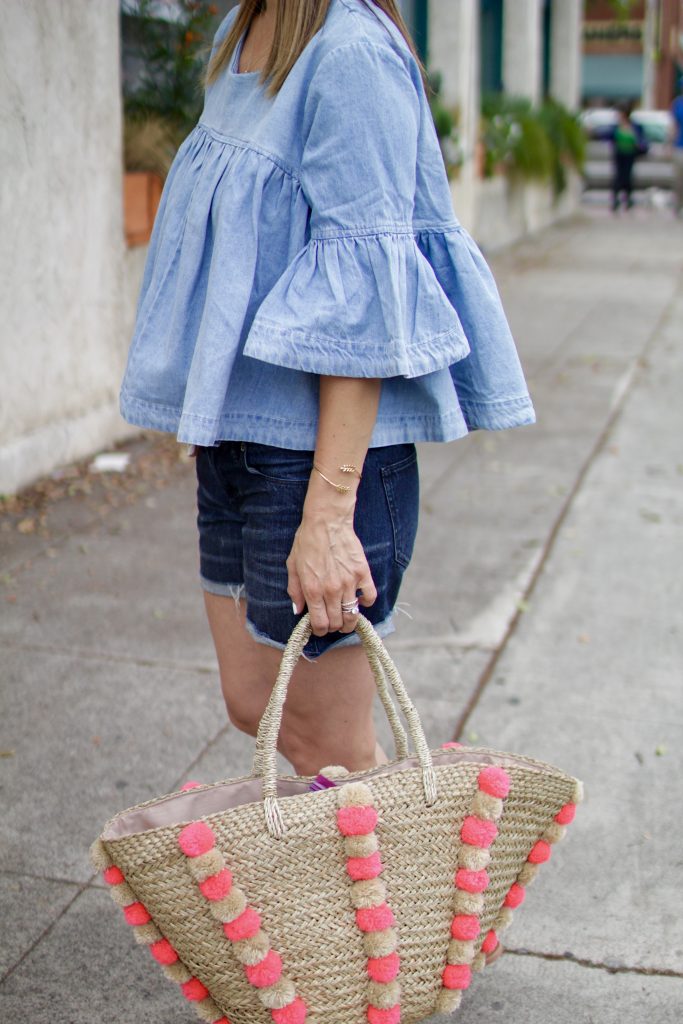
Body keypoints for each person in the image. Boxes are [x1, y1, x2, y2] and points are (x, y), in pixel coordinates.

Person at [119, 0, 535, 778]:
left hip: (316, 461)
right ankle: (390, 881)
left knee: (331, 749)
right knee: (253, 703)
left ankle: (399, 893)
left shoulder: (349, 54)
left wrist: (328, 516)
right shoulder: (240, 32)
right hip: (239, 441)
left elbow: (361, 305)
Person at [609, 102, 647, 212]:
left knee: (627, 177)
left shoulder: (634, 126)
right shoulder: (616, 126)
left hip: (630, 154)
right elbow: (610, 136)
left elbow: (640, 140)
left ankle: (628, 199)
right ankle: (615, 200)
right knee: (617, 177)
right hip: (619, 154)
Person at [671, 81, 683, 217]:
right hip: (680, 147)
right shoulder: (677, 104)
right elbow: (673, 126)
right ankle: (678, 206)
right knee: (679, 180)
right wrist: (669, 145)